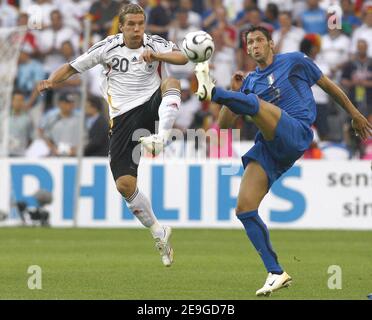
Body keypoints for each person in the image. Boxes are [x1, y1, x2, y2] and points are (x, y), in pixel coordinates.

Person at [194, 25, 372, 296]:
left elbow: (328, 86)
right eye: (249, 42)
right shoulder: (250, 81)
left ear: (271, 43)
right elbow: (226, 124)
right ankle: (276, 272)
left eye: (258, 40)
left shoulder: (294, 61)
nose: (254, 46)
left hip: (298, 131)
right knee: (244, 208)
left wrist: (354, 113)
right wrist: (234, 92)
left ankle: (212, 91)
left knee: (253, 102)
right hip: (269, 147)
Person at [36, 3, 188, 267]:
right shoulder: (107, 47)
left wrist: (158, 57)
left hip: (152, 105)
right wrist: (51, 81)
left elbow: (183, 57)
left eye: (141, 23)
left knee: (171, 83)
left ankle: (162, 136)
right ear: (121, 25)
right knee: (125, 185)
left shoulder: (154, 43)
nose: (137, 29)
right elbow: (72, 67)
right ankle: (158, 232)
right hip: (122, 120)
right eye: (131, 24)